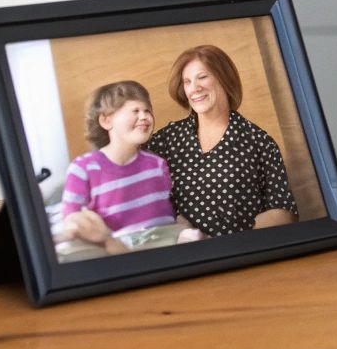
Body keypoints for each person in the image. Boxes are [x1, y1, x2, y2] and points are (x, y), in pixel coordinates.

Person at [147, 45, 298, 237]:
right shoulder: (167, 139)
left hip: (241, 253)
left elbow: (285, 211)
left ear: (224, 79)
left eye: (202, 77)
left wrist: (236, 239)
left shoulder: (259, 141)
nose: (194, 88)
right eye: (187, 82)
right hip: (184, 256)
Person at [55, 80, 202, 255]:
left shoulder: (157, 165)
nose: (144, 116)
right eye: (135, 111)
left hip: (161, 240)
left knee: (192, 235)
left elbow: (170, 215)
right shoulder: (82, 168)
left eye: (147, 110)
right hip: (114, 247)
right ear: (106, 120)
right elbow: (72, 221)